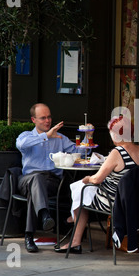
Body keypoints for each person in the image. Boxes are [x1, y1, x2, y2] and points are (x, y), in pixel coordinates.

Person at [55, 115, 139, 254]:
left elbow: (97, 179)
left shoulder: (117, 152)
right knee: (83, 190)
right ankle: (72, 221)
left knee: (80, 189)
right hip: (135, 201)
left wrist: (87, 179)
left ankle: (75, 240)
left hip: (114, 201)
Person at [16, 103, 84, 253]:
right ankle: (44, 215)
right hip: (27, 179)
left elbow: (79, 152)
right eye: (43, 118)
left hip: (52, 182)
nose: (47, 121)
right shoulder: (26, 136)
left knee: (35, 189)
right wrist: (46, 137)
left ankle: (30, 234)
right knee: (36, 180)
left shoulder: (60, 138)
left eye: (49, 117)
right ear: (33, 120)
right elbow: (21, 144)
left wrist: (88, 136)